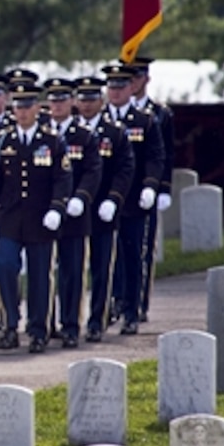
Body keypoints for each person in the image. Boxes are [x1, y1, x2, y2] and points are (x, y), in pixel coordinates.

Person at [0, 79, 72, 354]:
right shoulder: (3, 141)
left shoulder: (52, 140)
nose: (22, 112)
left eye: (27, 106)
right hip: (10, 219)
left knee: (39, 276)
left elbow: (62, 178)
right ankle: (10, 325)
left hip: (40, 218)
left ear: (37, 107)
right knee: (6, 267)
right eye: (17, 106)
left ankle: (38, 330)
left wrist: (57, 208)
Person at [103, 63, 164, 336]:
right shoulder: (99, 121)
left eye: (120, 86)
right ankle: (106, 307)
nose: (115, 92)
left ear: (131, 87)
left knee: (132, 255)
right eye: (111, 87)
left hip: (133, 201)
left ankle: (132, 308)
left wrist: (152, 186)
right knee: (105, 258)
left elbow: (155, 156)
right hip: (103, 202)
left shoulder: (145, 120)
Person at [73, 75, 135, 342]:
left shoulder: (115, 132)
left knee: (101, 267)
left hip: (102, 208)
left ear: (101, 100)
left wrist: (114, 199)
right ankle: (70, 320)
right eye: (82, 100)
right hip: (75, 209)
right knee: (72, 268)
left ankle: (97, 319)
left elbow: (125, 169)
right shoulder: (69, 132)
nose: (87, 105)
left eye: (92, 99)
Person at [44, 78, 102, 349]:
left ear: (72, 102)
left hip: (75, 214)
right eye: (53, 100)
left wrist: (81, 197)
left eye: (62, 100)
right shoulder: (41, 133)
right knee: (43, 271)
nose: (57, 105)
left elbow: (93, 170)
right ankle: (44, 324)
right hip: (44, 214)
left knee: (72, 271)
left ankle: (70, 325)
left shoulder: (85, 134)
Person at [129, 56, 174, 322]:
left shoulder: (160, 114)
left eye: (136, 77)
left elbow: (166, 154)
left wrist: (163, 187)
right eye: (128, 78)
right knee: (122, 251)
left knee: (144, 248)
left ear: (146, 79)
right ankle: (121, 299)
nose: (132, 83)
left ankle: (140, 301)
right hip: (120, 191)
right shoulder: (115, 113)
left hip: (146, 189)